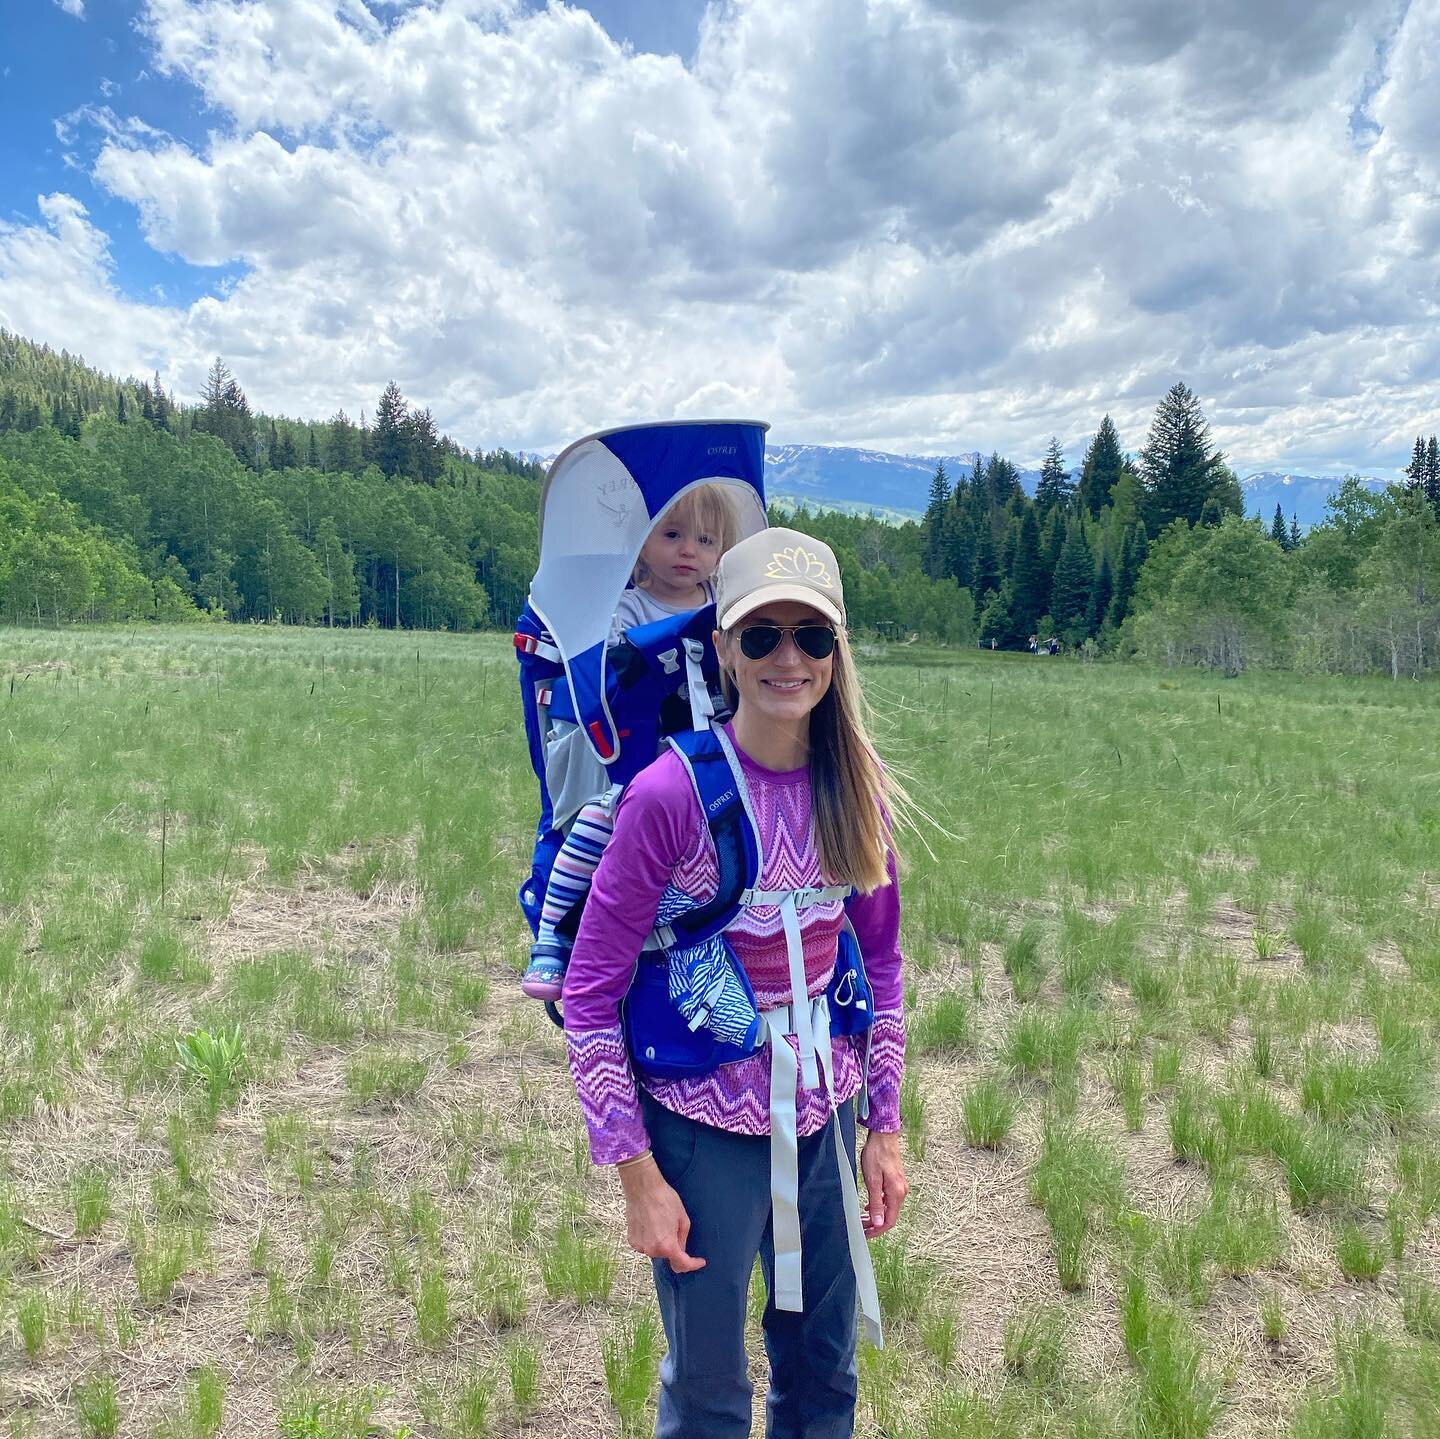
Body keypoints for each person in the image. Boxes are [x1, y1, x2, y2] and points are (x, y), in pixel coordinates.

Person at [562, 527, 909, 1438]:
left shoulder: (855, 789)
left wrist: (884, 1125)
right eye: (761, 635)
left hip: (824, 1121)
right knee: (710, 1391)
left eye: (812, 635)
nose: (787, 657)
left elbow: (882, 965)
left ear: (837, 652)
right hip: (699, 1133)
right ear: (723, 648)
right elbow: (592, 993)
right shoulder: (669, 797)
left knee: (824, 1374)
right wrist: (636, 1172)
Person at [521, 485, 736, 999]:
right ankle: (553, 935)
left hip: (719, 761)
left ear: (722, 552)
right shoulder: (627, 610)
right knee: (597, 822)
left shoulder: (727, 608)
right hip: (647, 762)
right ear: (642, 545)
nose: (689, 550)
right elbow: (610, 679)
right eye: (672, 535)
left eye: (705, 540)